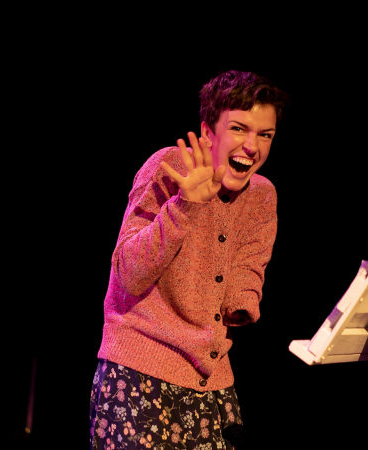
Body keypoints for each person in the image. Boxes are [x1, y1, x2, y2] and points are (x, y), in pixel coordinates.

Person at [89, 70, 289, 450]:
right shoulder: (169, 167)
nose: (252, 146)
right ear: (208, 132)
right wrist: (184, 207)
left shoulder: (263, 195)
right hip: (138, 373)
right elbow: (126, 275)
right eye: (239, 129)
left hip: (212, 380)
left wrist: (244, 302)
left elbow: (243, 284)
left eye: (265, 135)